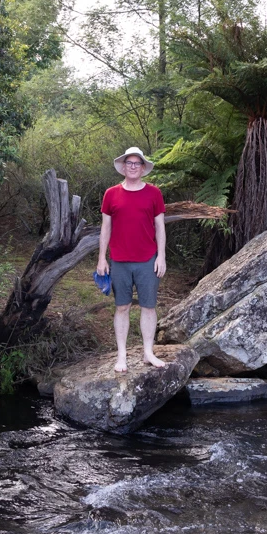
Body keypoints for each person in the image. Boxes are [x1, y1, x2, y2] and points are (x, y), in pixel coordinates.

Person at [96, 147, 166, 373]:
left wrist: (161, 256)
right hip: (119, 261)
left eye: (137, 163)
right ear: (123, 167)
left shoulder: (154, 193)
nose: (133, 166)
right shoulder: (111, 194)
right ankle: (122, 356)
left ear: (143, 167)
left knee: (148, 307)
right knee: (122, 307)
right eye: (129, 163)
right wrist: (101, 258)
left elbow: (160, 227)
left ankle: (148, 353)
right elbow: (105, 228)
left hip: (148, 260)